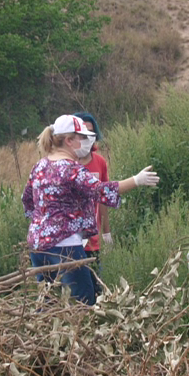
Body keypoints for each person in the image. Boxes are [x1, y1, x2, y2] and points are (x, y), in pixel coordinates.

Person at [22, 114, 158, 304]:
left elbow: (27, 200)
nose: (86, 142)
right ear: (69, 141)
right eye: (82, 137)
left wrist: (43, 224)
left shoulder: (40, 166)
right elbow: (99, 190)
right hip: (65, 247)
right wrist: (136, 180)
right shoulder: (71, 169)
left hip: (37, 246)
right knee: (82, 302)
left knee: (48, 303)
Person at [71, 111, 110, 273]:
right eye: (83, 132)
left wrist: (106, 233)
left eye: (91, 132)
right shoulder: (66, 164)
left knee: (96, 287)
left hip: (93, 241)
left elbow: (104, 198)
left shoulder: (100, 162)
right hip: (71, 240)